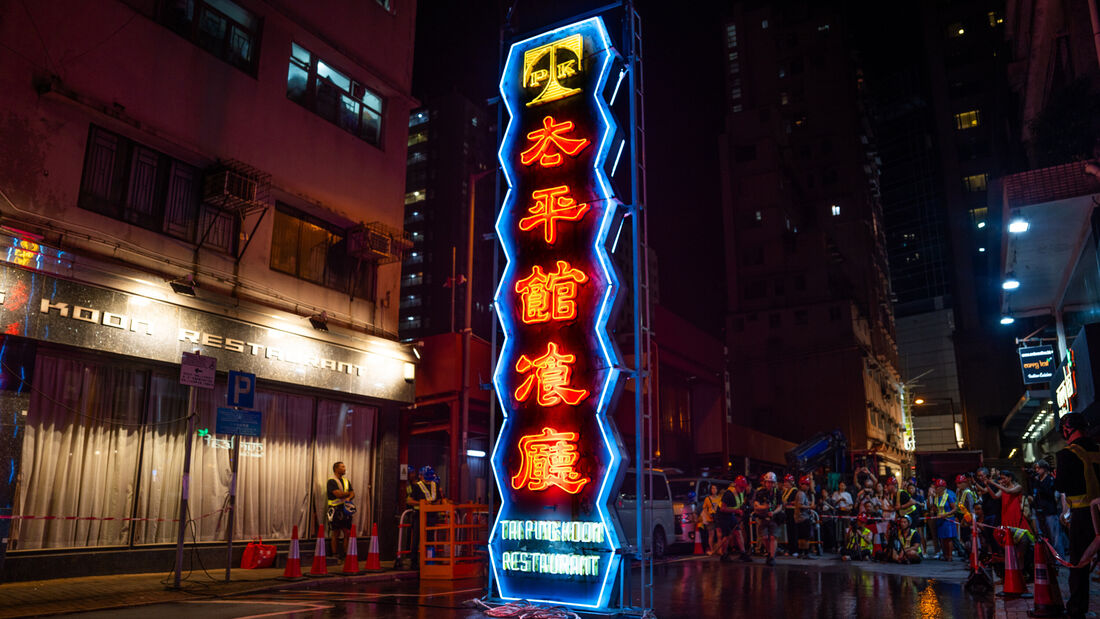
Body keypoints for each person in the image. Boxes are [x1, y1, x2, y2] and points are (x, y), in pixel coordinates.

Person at [1055, 412, 1100, 619]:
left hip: (1083, 515)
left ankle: (1076, 609)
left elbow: (1062, 485)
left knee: (1079, 562)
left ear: (1067, 428)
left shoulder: (1067, 454)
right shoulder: (1098, 449)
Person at [1032, 459, 1068, 559]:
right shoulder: (1036, 480)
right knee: (1045, 536)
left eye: (1038, 468)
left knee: (1055, 537)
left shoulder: (1050, 479)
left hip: (1050, 510)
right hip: (1039, 510)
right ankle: (1050, 558)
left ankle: (1059, 559)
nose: (1037, 470)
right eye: (1036, 468)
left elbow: (1050, 494)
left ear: (1044, 468)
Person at [715, 476, 752, 562]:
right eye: (741, 487)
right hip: (722, 515)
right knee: (727, 535)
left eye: (744, 487)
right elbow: (722, 509)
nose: (743, 489)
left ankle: (743, 553)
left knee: (738, 532)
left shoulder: (741, 492)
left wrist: (741, 510)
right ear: (736, 485)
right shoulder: (728, 494)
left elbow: (740, 504)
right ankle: (724, 555)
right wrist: (736, 511)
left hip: (731, 514)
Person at [327, 461, 356, 560]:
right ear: (336, 469)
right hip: (335, 509)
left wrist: (348, 496)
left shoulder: (346, 481)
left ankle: (345, 555)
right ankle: (334, 555)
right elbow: (338, 494)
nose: (345, 468)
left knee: (347, 532)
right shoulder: (331, 481)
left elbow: (353, 493)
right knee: (336, 533)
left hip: (345, 509)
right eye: (342, 467)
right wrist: (348, 494)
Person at [754, 472, 784, 566]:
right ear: (765, 482)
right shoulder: (760, 492)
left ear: (774, 483)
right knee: (764, 537)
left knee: (772, 537)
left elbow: (780, 506)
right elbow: (756, 505)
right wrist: (764, 508)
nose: (769, 484)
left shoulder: (777, 493)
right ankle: (770, 553)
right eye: (768, 482)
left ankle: (772, 557)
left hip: (774, 518)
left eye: (771, 482)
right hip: (763, 518)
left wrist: (774, 512)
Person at [931, 478, 957, 561]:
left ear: (942, 487)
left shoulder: (948, 495)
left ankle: (950, 556)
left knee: (948, 538)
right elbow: (935, 507)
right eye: (936, 487)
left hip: (948, 520)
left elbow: (955, 509)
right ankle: (945, 555)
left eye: (937, 487)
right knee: (942, 538)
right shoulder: (936, 496)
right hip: (940, 520)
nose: (936, 489)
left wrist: (946, 514)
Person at [795, 476, 817, 558]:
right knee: (806, 537)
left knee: (801, 537)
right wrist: (810, 507)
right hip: (803, 518)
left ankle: (801, 553)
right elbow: (800, 505)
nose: (807, 487)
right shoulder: (801, 494)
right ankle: (806, 553)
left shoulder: (802, 494)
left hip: (800, 518)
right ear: (801, 485)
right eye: (806, 485)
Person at [701, 483, 723, 555]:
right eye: (712, 488)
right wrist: (708, 515)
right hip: (710, 518)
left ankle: (720, 550)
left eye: (715, 488)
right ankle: (712, 549)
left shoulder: (719, 498)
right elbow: (704, 509)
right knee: (711, 535)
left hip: (718, 517)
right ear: (710, 490)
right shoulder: (707, 499)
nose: (714, 490)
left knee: (719, 534)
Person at [781, 474, 799, 556]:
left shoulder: (795, 491)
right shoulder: (786, 491)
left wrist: (787, 503)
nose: (785, 483)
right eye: (785, 482)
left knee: (793, 531)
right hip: (787, 513)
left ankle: (795, 549)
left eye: (787, 482)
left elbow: (797, 501)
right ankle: (790, 549)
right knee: (789, 531)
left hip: (793, 513)